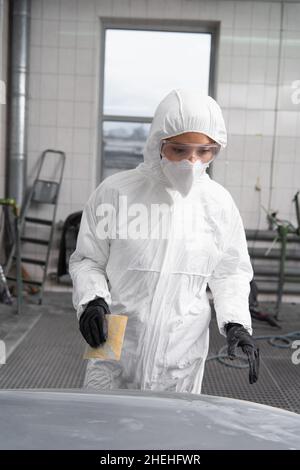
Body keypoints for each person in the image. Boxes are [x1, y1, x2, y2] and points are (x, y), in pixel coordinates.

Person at [69, 88, 259, 393]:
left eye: (204, 151)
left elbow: (230, 271)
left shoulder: (218, 204)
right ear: (158, 143)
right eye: (179, 150)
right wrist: (93, 300)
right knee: (102, 427)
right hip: (114, 337)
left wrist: (236, 322)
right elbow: (89, 260)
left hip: (181, 349)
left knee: (169, 435)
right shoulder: (117, 193)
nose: (192, 162)